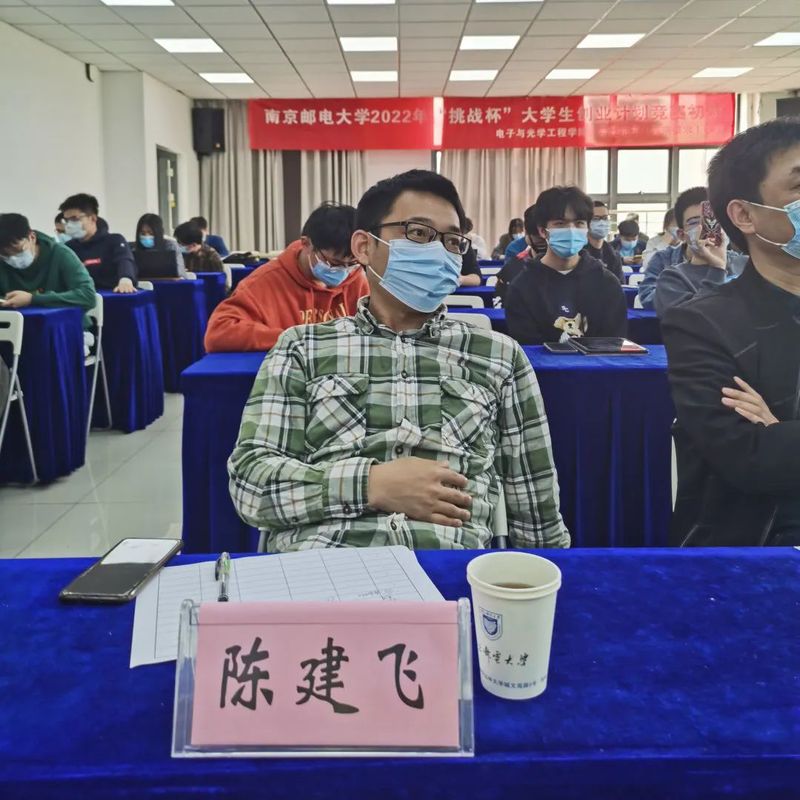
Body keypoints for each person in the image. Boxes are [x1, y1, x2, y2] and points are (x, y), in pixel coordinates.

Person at [228, 169, 570, 552]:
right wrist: (370, 485)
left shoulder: (499, 356)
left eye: (452, 241)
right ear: (363, 246)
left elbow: (534, 503)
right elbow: (250, 483)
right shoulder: (302, 349)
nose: (439, 252)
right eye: (418, 233)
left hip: (448, 568)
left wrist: (554, 575)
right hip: (323, 565)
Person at [661, 117, 800, 546]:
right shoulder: (702, 324)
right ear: (744, 214)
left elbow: (774, 450)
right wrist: (769, 443)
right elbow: (749, 460)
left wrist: (780, 431)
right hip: (761, 546)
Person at [205, 203, 368, 352]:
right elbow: (218, 332)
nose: (342, 272)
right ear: (306, 243)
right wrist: (296, 338)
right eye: (333, 263)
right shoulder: (265, 281)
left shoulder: (356, 279)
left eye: (351, 264)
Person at [504, 186, 627, 345]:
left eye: (579, 223)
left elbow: (613, 344)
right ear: (543, 231)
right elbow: (528, 349)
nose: (571, 230)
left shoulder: (607, 283)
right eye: (560, 223)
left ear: (587, 229)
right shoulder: (522, 287)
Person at [638, 187, 747, 310]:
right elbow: (649, 298)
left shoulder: (743, 265)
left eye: (713, 220)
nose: (705, 228)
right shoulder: (667, 270)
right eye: (694, 222)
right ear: (681, 235)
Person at [0, 213, 95, 324]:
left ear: (32, 237)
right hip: (13, 328)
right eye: (5, 254)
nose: (12, 257)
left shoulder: (60, 254)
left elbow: (88, 296)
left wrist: (32, 299)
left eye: (17, 250)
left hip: (64, 326)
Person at [59, 193, 136, 293]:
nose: (69, 225)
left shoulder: (115, 240)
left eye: (74, 219)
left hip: (114, 294)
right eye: (66, 220)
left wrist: (125, 279)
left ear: (93, 218)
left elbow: (124, 261)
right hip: (81, 297)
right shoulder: (68, 248)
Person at [495, 204, 548, 304]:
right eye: (538, 237)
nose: (545, 240)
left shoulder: (571, 266)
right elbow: (501, 306)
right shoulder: (512, 268)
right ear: (527, 235)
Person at [132, 213, 185, 278]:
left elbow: (181, 274)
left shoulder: (171, 246)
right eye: (143, 233)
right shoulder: (133, 249)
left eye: (151, 233)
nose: (146, 236)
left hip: (168, 283)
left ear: (158, 233)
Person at [583, 201, 623, 282]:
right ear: (586, 222)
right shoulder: (578, 253)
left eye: (605, 218)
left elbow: (620, 285)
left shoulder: (613, 255)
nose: (601, 223)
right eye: (596, 219)